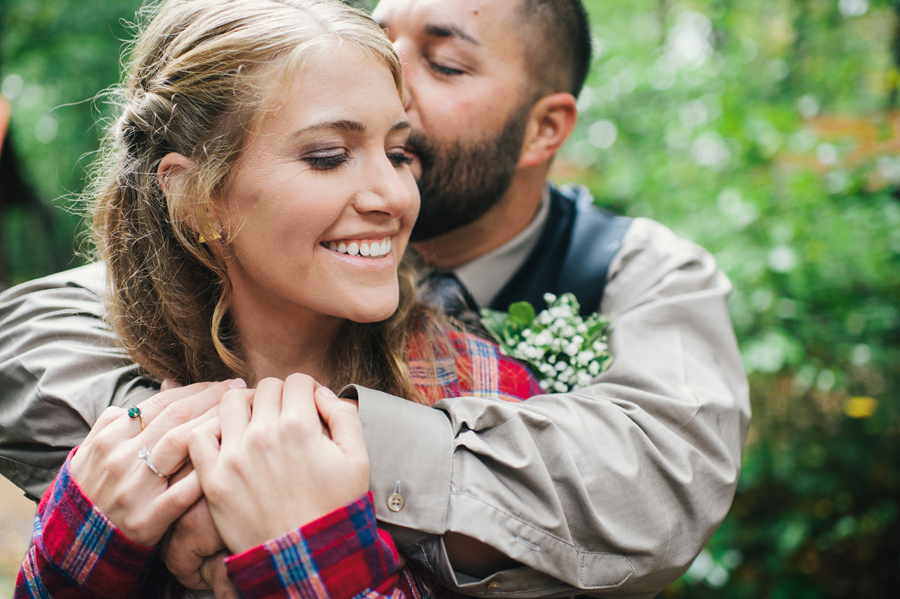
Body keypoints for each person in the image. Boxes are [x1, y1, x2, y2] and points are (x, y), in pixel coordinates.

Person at [0, 0, 751, 596]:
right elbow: (49, 324)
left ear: (545, 127)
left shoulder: (629, 279)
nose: (392, 187)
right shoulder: (247, 253)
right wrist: (189, 461)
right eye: (384, 36)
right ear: (196, 198)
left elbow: (659, 480)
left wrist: (320, 466)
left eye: (446, 63)